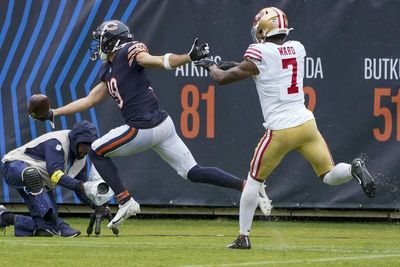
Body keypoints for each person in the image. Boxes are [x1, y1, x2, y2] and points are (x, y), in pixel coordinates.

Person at [30, 20, 272, 230]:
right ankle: (248, 187)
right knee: (192, 172)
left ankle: (125, 201)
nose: (99, 45)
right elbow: (91, 99)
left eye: (102, 40)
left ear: (113, 41)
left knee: (96, 150)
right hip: (162, 126)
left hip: (142, 127)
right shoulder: (109, 68)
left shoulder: (129, 52)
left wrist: (188, 56)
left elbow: (156, 60)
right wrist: (54, 112)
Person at [195, 7, 376, 249]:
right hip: (306, 124)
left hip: (280, 131)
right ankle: (353, 169)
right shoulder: (297, 48)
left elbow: (223, 78)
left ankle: (243, 237)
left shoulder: (258, 51)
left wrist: (209, 65)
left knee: (253, 181)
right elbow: (265, 65)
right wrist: (233, 64)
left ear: (263, 29)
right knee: (329, 175)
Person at [1, 120, 98, 237]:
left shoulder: (81, 159)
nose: (86, 150)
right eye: (84, 145)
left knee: (45, 227)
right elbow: (55, 174)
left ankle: (5, 217)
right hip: (14, 167)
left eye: (90, 146)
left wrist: (96, 205)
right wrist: (80, 185)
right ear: (75, 140)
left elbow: (81, 189)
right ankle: (59, 224)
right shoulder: (57, 142)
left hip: (39, 182)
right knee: (32, 175)